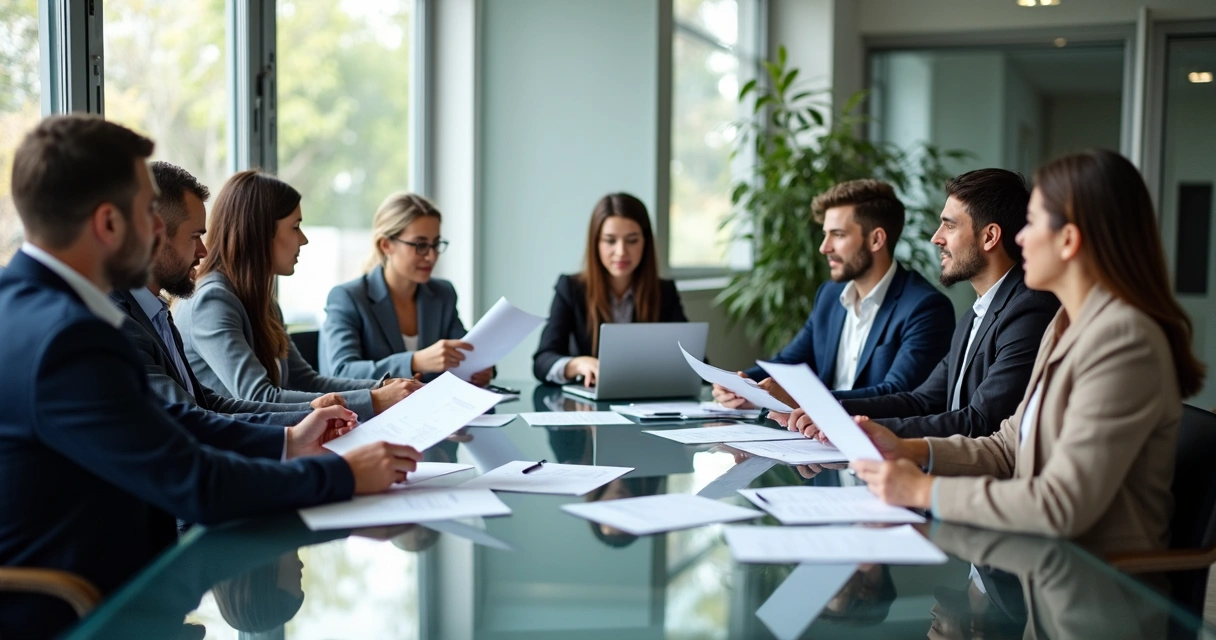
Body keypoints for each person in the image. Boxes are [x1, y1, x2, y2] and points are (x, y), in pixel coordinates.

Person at [0, 115, 420, 638]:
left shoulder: (30, 307)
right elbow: (194, 481)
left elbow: (170, 420)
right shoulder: (69, 337)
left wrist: (287, 441)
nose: (158, 231)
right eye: (147, 214)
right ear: (108, 224)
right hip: (86, 617)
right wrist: (343, 476)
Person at [847, 150, 1204, 555]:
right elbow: (1007, 446)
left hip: (1091, 583)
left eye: (1032, 223)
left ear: (1068, 240)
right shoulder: (1064, 326)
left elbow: (1061, 504)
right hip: (1035, 562)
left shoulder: (1125, 342)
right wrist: (908, 448)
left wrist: (923, 490)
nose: (1019, 238)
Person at [778, 169, 1059, 439]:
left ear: (989, 237)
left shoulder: (1029, 312)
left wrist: (858, 429)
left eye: (950, 225)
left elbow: (980, 422)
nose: (936, 238)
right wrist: (832, 411)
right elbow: (921, 401)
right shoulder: (975, 315)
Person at [175, 170, 420, 421]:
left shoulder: (262, 303)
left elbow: (305, 380)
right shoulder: (212, 302)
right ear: (260, 233)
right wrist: (374, 400)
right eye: (295, 227)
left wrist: (382, 387)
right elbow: (259, 397)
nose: (303, 240)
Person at [110, 161, 341, 425]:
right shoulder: (124, 322)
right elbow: (194, 419)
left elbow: (206, 403)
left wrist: (313, 413)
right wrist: (294, 434)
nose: (203, 250)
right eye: (194, 236)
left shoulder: (157, 312)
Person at [712, 179, 954, 408]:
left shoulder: (925, 308)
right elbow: (789, 362)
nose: (824, 247)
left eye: (838, 235)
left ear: (876, 240)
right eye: (825, 234)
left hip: (877, 434)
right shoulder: (829, 295)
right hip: (813, 431)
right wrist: (741, 384)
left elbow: (897, 394)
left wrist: (804, 401)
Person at [320, 192, 492, 386]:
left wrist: (481, 369)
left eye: (436, 244)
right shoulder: (348, 297)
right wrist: (415, 361)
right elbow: (342, 371)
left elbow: (464, 352)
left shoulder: (442, 294)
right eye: (420, 245)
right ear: (386, 245)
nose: (431, 256)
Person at [532, 193, 688, 386]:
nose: (621, 252)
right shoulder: (571, 288)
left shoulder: (664, 292)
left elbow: (693, 360)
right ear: (596, 243)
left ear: (645, 242)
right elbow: (542, 360)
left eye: (632, 240)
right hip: (590, 400)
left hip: (649, 397)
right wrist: (577, 364)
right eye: (610, 241)